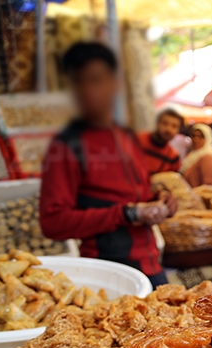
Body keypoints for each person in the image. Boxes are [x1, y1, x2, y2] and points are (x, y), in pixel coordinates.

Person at [39, 42, 177, 288]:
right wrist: (127, 213)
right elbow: (53, 222)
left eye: (95, 80)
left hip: (151, 262)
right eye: (77, 81)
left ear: (115, 84)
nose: (86, 90)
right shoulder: (66, 146)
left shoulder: (126, 137)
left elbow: (141, 194)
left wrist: (162, 199)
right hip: (107, 271)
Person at [137, 108, 183, 175]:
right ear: (157, 123)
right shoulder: (137, 141)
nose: (169, 129)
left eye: (174, 126)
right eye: (165, 123)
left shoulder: (173, 158)